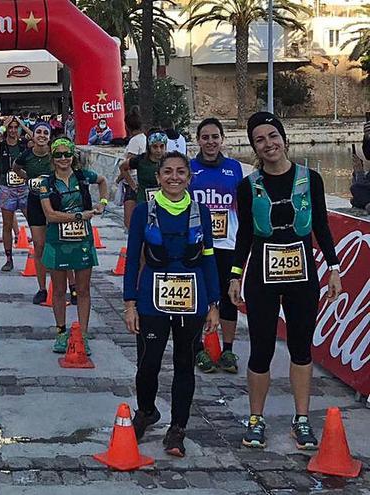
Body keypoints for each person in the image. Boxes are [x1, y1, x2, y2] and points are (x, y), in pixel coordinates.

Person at [229, 112, 341, 450]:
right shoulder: (248, 185)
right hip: (263, 272)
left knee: (300, 347)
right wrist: (236, 275)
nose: (268, 144)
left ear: (284, 138)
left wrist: (333, 268)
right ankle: (256, 419)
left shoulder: (311, 179)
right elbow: (245, 233)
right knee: (261, 347)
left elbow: (320, 225)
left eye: (272, 136)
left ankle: (302, 419)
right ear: (254, 147)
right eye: (260, 139)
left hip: (302, 272)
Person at [124, 151, 220, 458]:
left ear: (189, 178)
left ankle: (178, 427)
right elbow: (130, 260)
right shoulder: (143, 211)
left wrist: (214, 303)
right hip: (152, 297)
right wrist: (129, 303)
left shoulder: (200, 211)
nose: (174, 177)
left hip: (192, 298)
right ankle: (146, 411)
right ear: (158, 176)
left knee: (184, 363)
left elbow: (208, 257)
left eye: (181, 172)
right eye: (168, 172)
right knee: (149, 361)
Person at [39, 138, 108, 353]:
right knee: (59, 290)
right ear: (52, 157)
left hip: (82, 240)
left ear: (73, 156)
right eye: (58, 155)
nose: (63, 159)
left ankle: (83, 335)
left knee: (83, 289)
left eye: (66, 154)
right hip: (58, 240)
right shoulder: (46, 183)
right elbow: (49, 215)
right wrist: (79, 215)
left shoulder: (83, 177)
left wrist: (102, 203)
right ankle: (61, 333)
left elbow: (103, 180)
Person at [189, 118, 243, 373]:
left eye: (214, 137)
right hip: (199, 244)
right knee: (198, 297)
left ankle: (229, 350)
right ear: (198, 140)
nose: (210, 142)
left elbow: (242, 207)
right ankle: (198, 348)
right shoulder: (189, 169)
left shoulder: (234, 168)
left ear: (222, 139)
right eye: (205, 137)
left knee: (228, 298)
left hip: (228, 244)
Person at [13, 122, 53, 304]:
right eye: (39, 132)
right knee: (39, 245)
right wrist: (27, 177)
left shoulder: (55, 155)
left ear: (50, 136)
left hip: (55, 204)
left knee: (60, 244)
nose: (42, 135)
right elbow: (15, 167)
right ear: (33, 135)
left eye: (46, 132)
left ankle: (73, 286)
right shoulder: (27, 155)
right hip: (35, 203)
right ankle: (42, 288)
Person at [0, 115, 31, 271]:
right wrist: (2, 126)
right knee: (7, 225)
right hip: (6, 188)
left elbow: (37, 140)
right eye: (11, 128)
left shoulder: (23, 145)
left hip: (24, 188)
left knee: (33, 222)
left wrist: (22, 124)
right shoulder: (1, 145)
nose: (13, 131)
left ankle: (41, 256)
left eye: (16, 128)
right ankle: (9, 259)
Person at [120, 129, 166, 206]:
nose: (159, 150)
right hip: (143, 200)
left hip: (164, 200)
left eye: (162, 146)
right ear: (149, 147)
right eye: (155, 147)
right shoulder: (140, 160)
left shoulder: (168, 160)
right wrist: (133, 186)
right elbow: (123, 167)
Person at [117, 108, 146, 229]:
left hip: (132, 183)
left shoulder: (134, 141)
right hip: (141, 181)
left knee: (129, 222)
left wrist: (119, 179)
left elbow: (128, 165)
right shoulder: (144, 138)